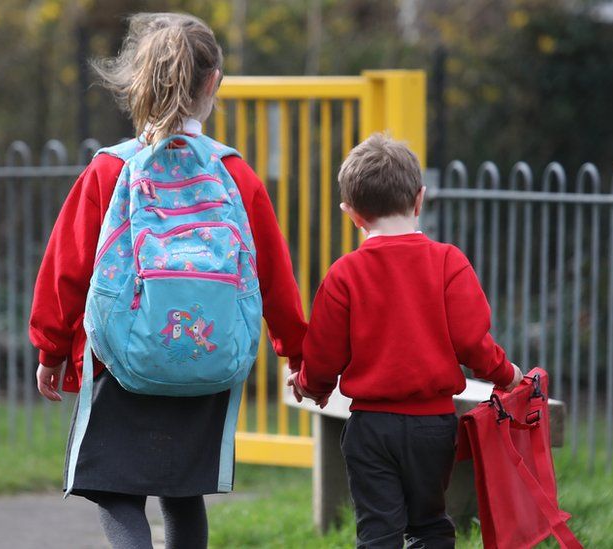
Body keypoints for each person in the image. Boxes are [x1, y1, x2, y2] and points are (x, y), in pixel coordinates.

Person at [29, 12, 307, 549]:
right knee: (183, 493)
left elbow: (65, 269)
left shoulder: (110, 170)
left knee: (115, 493)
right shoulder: (234, 174)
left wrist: (50, 349)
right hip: (206, 357)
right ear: (213, 83)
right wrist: (295, 350)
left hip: (119, 358)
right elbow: (273, 274)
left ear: (136, 83)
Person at [288, 134, 523, 549]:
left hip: (371, 428)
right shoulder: (448, 262)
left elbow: (324, 352)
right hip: (433, 426)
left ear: (353, 214)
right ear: (420, 199)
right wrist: (506, 375)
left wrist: (312, 386)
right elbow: (472, 341)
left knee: (378, 530)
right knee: (430, 525)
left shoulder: (345, 274)